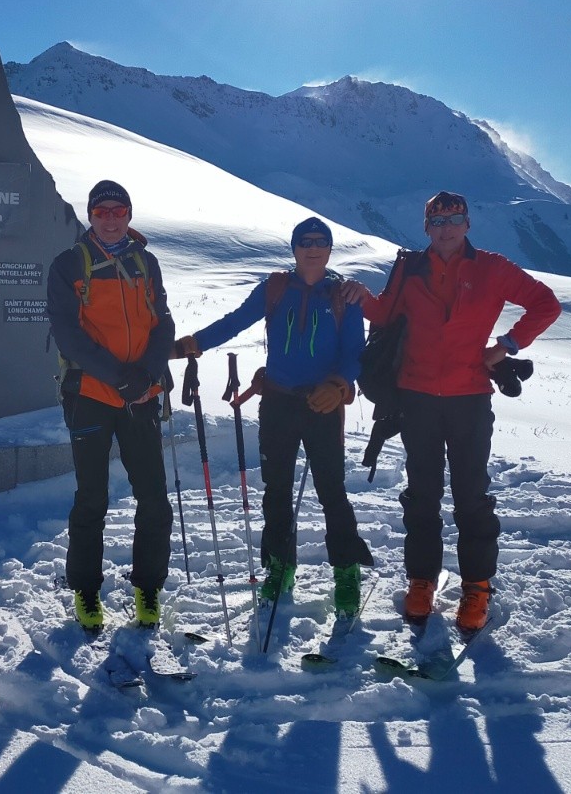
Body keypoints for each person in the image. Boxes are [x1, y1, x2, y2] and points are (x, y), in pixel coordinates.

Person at [341, 191, 561, 633]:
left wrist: (505, 347)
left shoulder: (493, 269)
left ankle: (477, 588)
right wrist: (361, 296)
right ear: (426, 227)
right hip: (416, 397)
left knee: (471, 497)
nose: (445, 228)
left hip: (468, 397)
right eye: (437, 221)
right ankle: (421, 582)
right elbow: (385, 313)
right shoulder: (409, 268)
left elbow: (546, 304)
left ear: (467, 224)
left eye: (454, 219)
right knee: (422, 494)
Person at [172, 217, 371, 617]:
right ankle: (280, 566)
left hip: (323, 406)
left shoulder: (343, 296)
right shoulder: (275, 288)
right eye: (305, 242)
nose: (313, 248)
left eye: (321, 242)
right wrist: (195, 343)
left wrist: (339, 386)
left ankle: (346, 571)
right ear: (294, 248)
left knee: (332, 490)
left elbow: (355, 352)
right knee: (275, 490)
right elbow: (235, 322)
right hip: (278, 403)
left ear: (329, 249)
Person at [47, 180, 176, 632]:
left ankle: (148, 588)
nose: (110, 217)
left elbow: (163, 324)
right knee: (92, 499)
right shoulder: (70, 265)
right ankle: (85, 590)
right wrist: (121, 378)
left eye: (118, 210)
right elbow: (68, 335)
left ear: (129, 214)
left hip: (140, 394)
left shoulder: (147, 262)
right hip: (91, 396)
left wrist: (146, 374)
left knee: (155, 500)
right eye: (101, 210)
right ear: (90, 215)